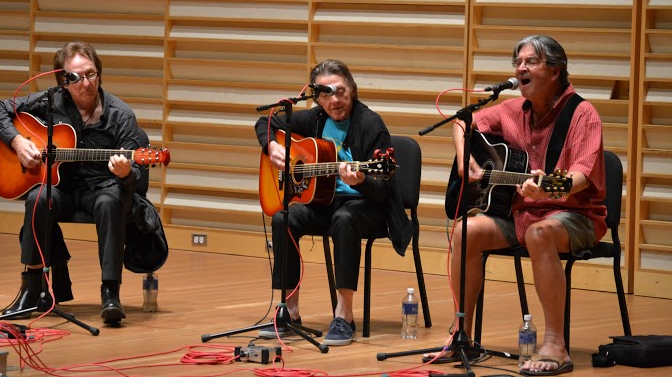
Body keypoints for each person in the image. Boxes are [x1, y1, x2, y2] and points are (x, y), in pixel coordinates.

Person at [428, 35, 606, 375]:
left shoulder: (583, 114)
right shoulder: (511, 110)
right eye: (517, 63)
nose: (520, 68)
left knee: (540, 234)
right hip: (522, 212)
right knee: (466, 231)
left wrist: (552, 191)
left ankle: (556, 345)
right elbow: (462, 123)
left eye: (530, 62)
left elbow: (581, 175)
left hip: (576, 216)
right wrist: (467, 162)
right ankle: (461, 335)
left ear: (555, 71)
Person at [254, 59, 410, 346]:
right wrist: (272, 146)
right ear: (317, 97)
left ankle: (344, 315)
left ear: (352, 88)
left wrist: (361, 180)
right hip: (324, 202)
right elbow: (264, 122)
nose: (335, 100)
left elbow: (384, 190)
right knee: (284, 217)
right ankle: (289, 312)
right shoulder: (314, 119)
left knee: (345, 219)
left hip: (366, 206)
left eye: (340, 91)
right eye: (326, 94)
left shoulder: (370, 124)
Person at [0, 41, 142, 324]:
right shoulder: (50, 100)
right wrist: (18, 141)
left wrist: (125, 172)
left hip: (101, 189)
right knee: (37, 198)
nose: (86, 83)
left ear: (100, 74)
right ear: (63, 81)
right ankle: (31, 288)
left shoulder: (122, 115)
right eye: (77, 77)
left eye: (91, 74)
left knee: (110, 202)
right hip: (61, 187)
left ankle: (110, 293)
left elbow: (136, 174)